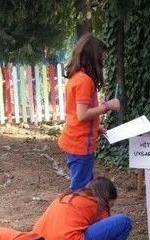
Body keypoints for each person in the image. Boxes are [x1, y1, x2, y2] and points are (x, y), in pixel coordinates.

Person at [59, 33, 121, 191]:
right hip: (80, 144)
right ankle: (73, 207)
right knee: (79, 189)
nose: (103, 62)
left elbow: (76, 113)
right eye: (102, 57)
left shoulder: (76, 77)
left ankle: (80, 206)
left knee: (84, 184)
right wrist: (108, 105)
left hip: (75, 140)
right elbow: (82, 114)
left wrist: (94, 127)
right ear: (93, 57)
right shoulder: (84, 81)